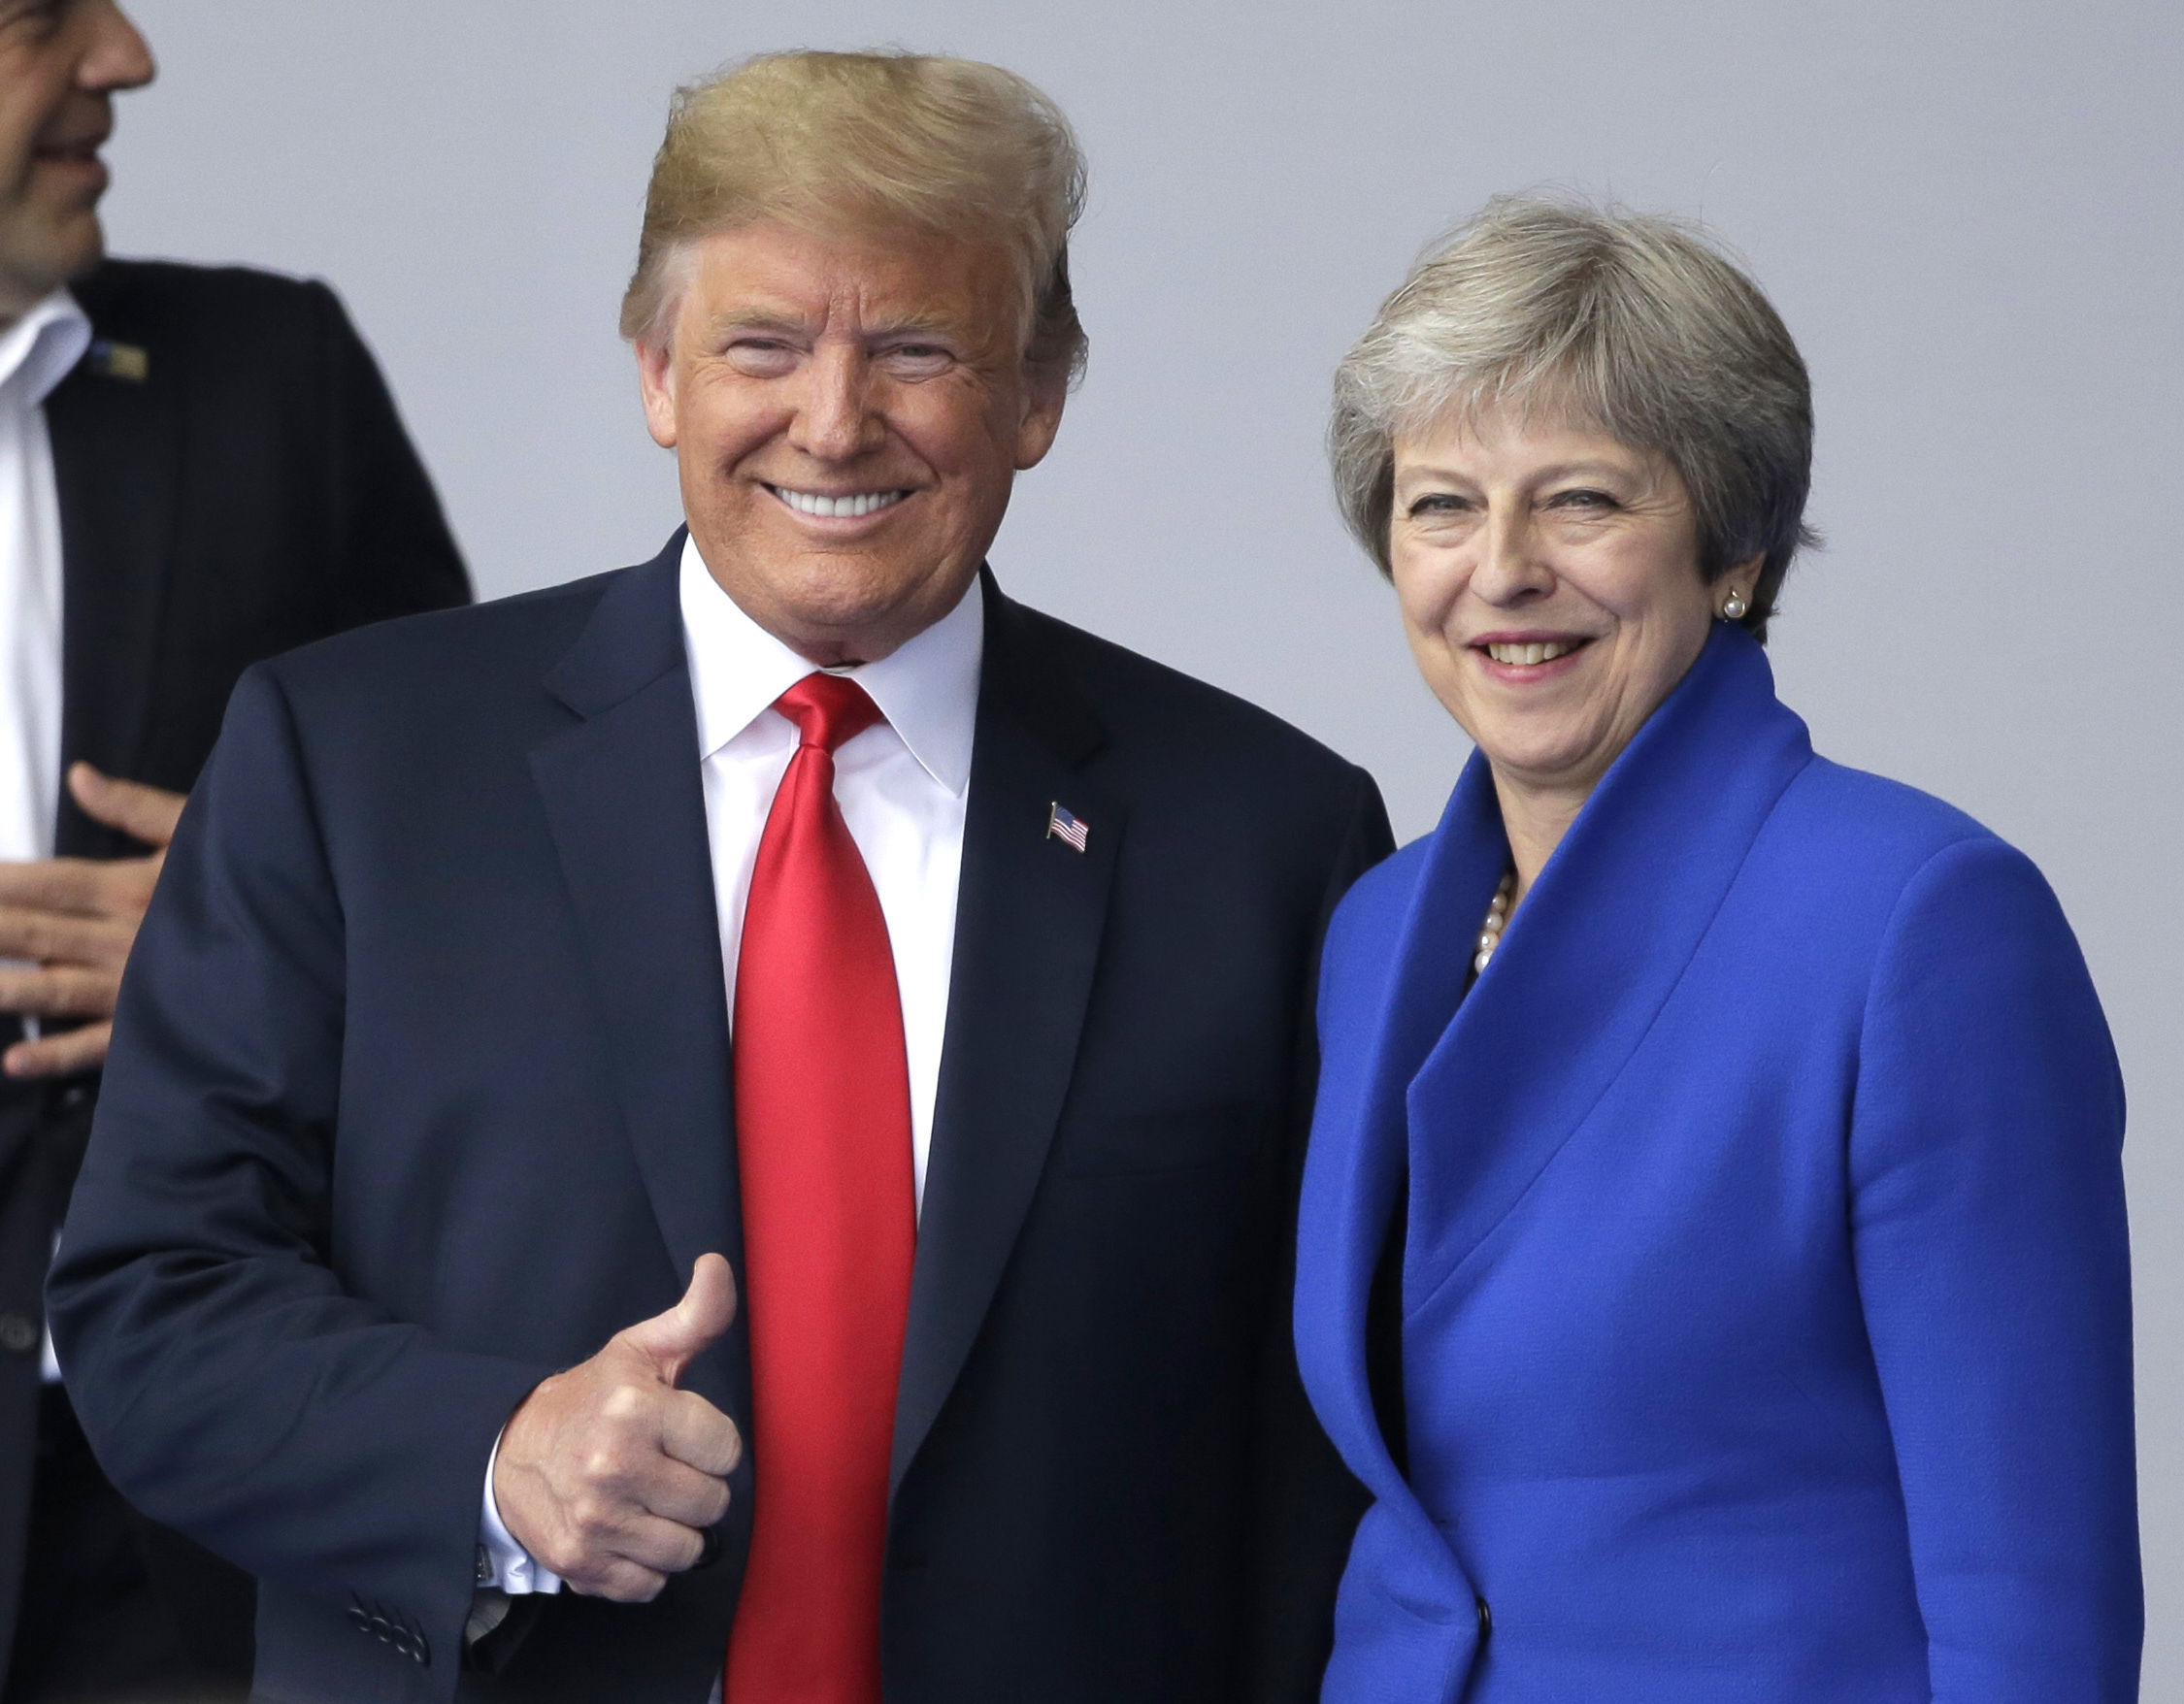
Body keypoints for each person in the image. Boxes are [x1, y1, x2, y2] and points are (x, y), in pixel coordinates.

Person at [50, 49, 1388, 1703]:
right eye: (765, 345)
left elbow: (1313, 1459)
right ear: (658, 373)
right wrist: (493, 1454)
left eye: (918, 350)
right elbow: (153, 1302)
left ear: (1038, 393)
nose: (835, 422)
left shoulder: (1270, 838)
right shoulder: (350, 762)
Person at [1291, 197, 2142, 1702]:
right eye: (1440, 505)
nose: (1500, 571)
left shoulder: (1918, 924)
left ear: (1735, 550)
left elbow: (2032, 1604)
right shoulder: (1376, 930)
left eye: (1582, 501)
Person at [0, 1, 469, 1697]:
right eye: (40, 15)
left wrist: (250, 947)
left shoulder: (278, 377)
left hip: (194, 1513)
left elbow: (508, 891)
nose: (125, 57)